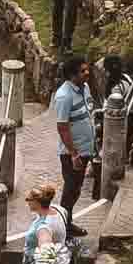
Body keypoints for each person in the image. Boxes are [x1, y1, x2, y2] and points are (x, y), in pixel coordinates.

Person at [52, 55, 97, 228]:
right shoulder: (64, 96)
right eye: (82, 71)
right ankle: (63, 226)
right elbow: (62, 127)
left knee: (76, 189)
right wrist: (74, 154)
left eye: (87, 69)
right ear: (72, 76)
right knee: (71, 191)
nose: (87, 73)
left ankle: (66, 223)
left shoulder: (84, 87)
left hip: (86, 149)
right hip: (73, 153)